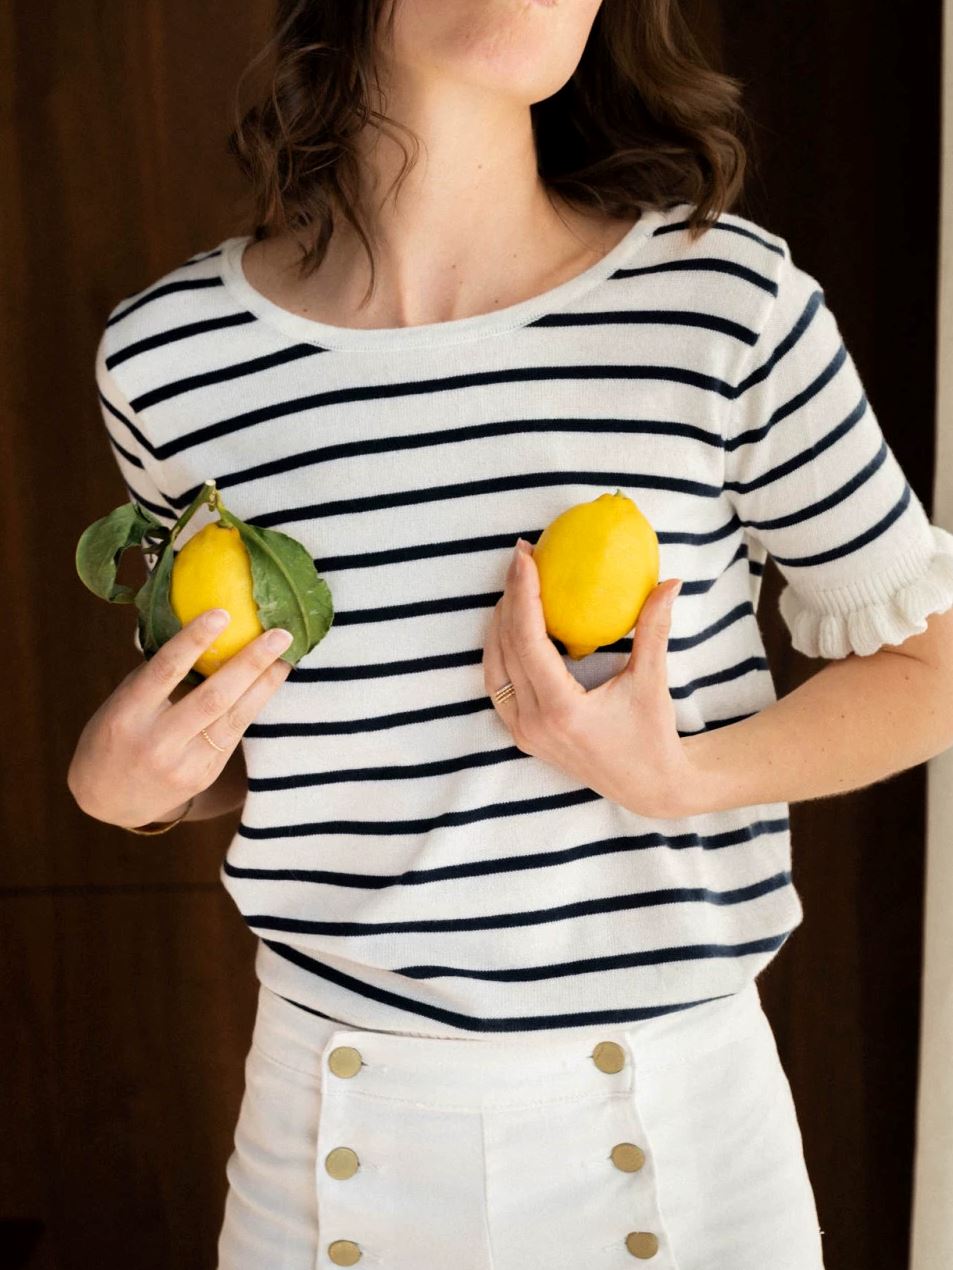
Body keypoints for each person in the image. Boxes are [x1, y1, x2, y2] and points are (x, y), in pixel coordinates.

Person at [68, 1, 953, 1267]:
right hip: (327, 1124)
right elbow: (286, 736)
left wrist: (681, 777)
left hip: (682, 1126)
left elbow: (926, 664)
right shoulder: (172, 360)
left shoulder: (725, 303)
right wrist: (138, 790)